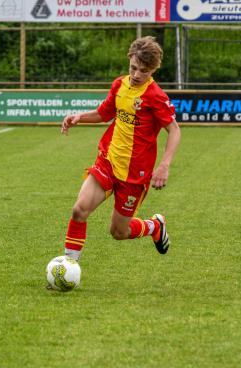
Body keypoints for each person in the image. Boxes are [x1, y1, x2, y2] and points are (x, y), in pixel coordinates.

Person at [60, 36, 181, 262]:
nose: (136, 75)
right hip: (108, 160)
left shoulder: (155, 96)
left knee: (119, 232)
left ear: (153, 69)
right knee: (79, 210)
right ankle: (69, 265)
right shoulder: (119, 85)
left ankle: (154, 226)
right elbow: (104, 113)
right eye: (133, 68)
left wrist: (164, 165)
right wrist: (79, 117)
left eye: (143, 71)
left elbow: (174, 130)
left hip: (135, 175)